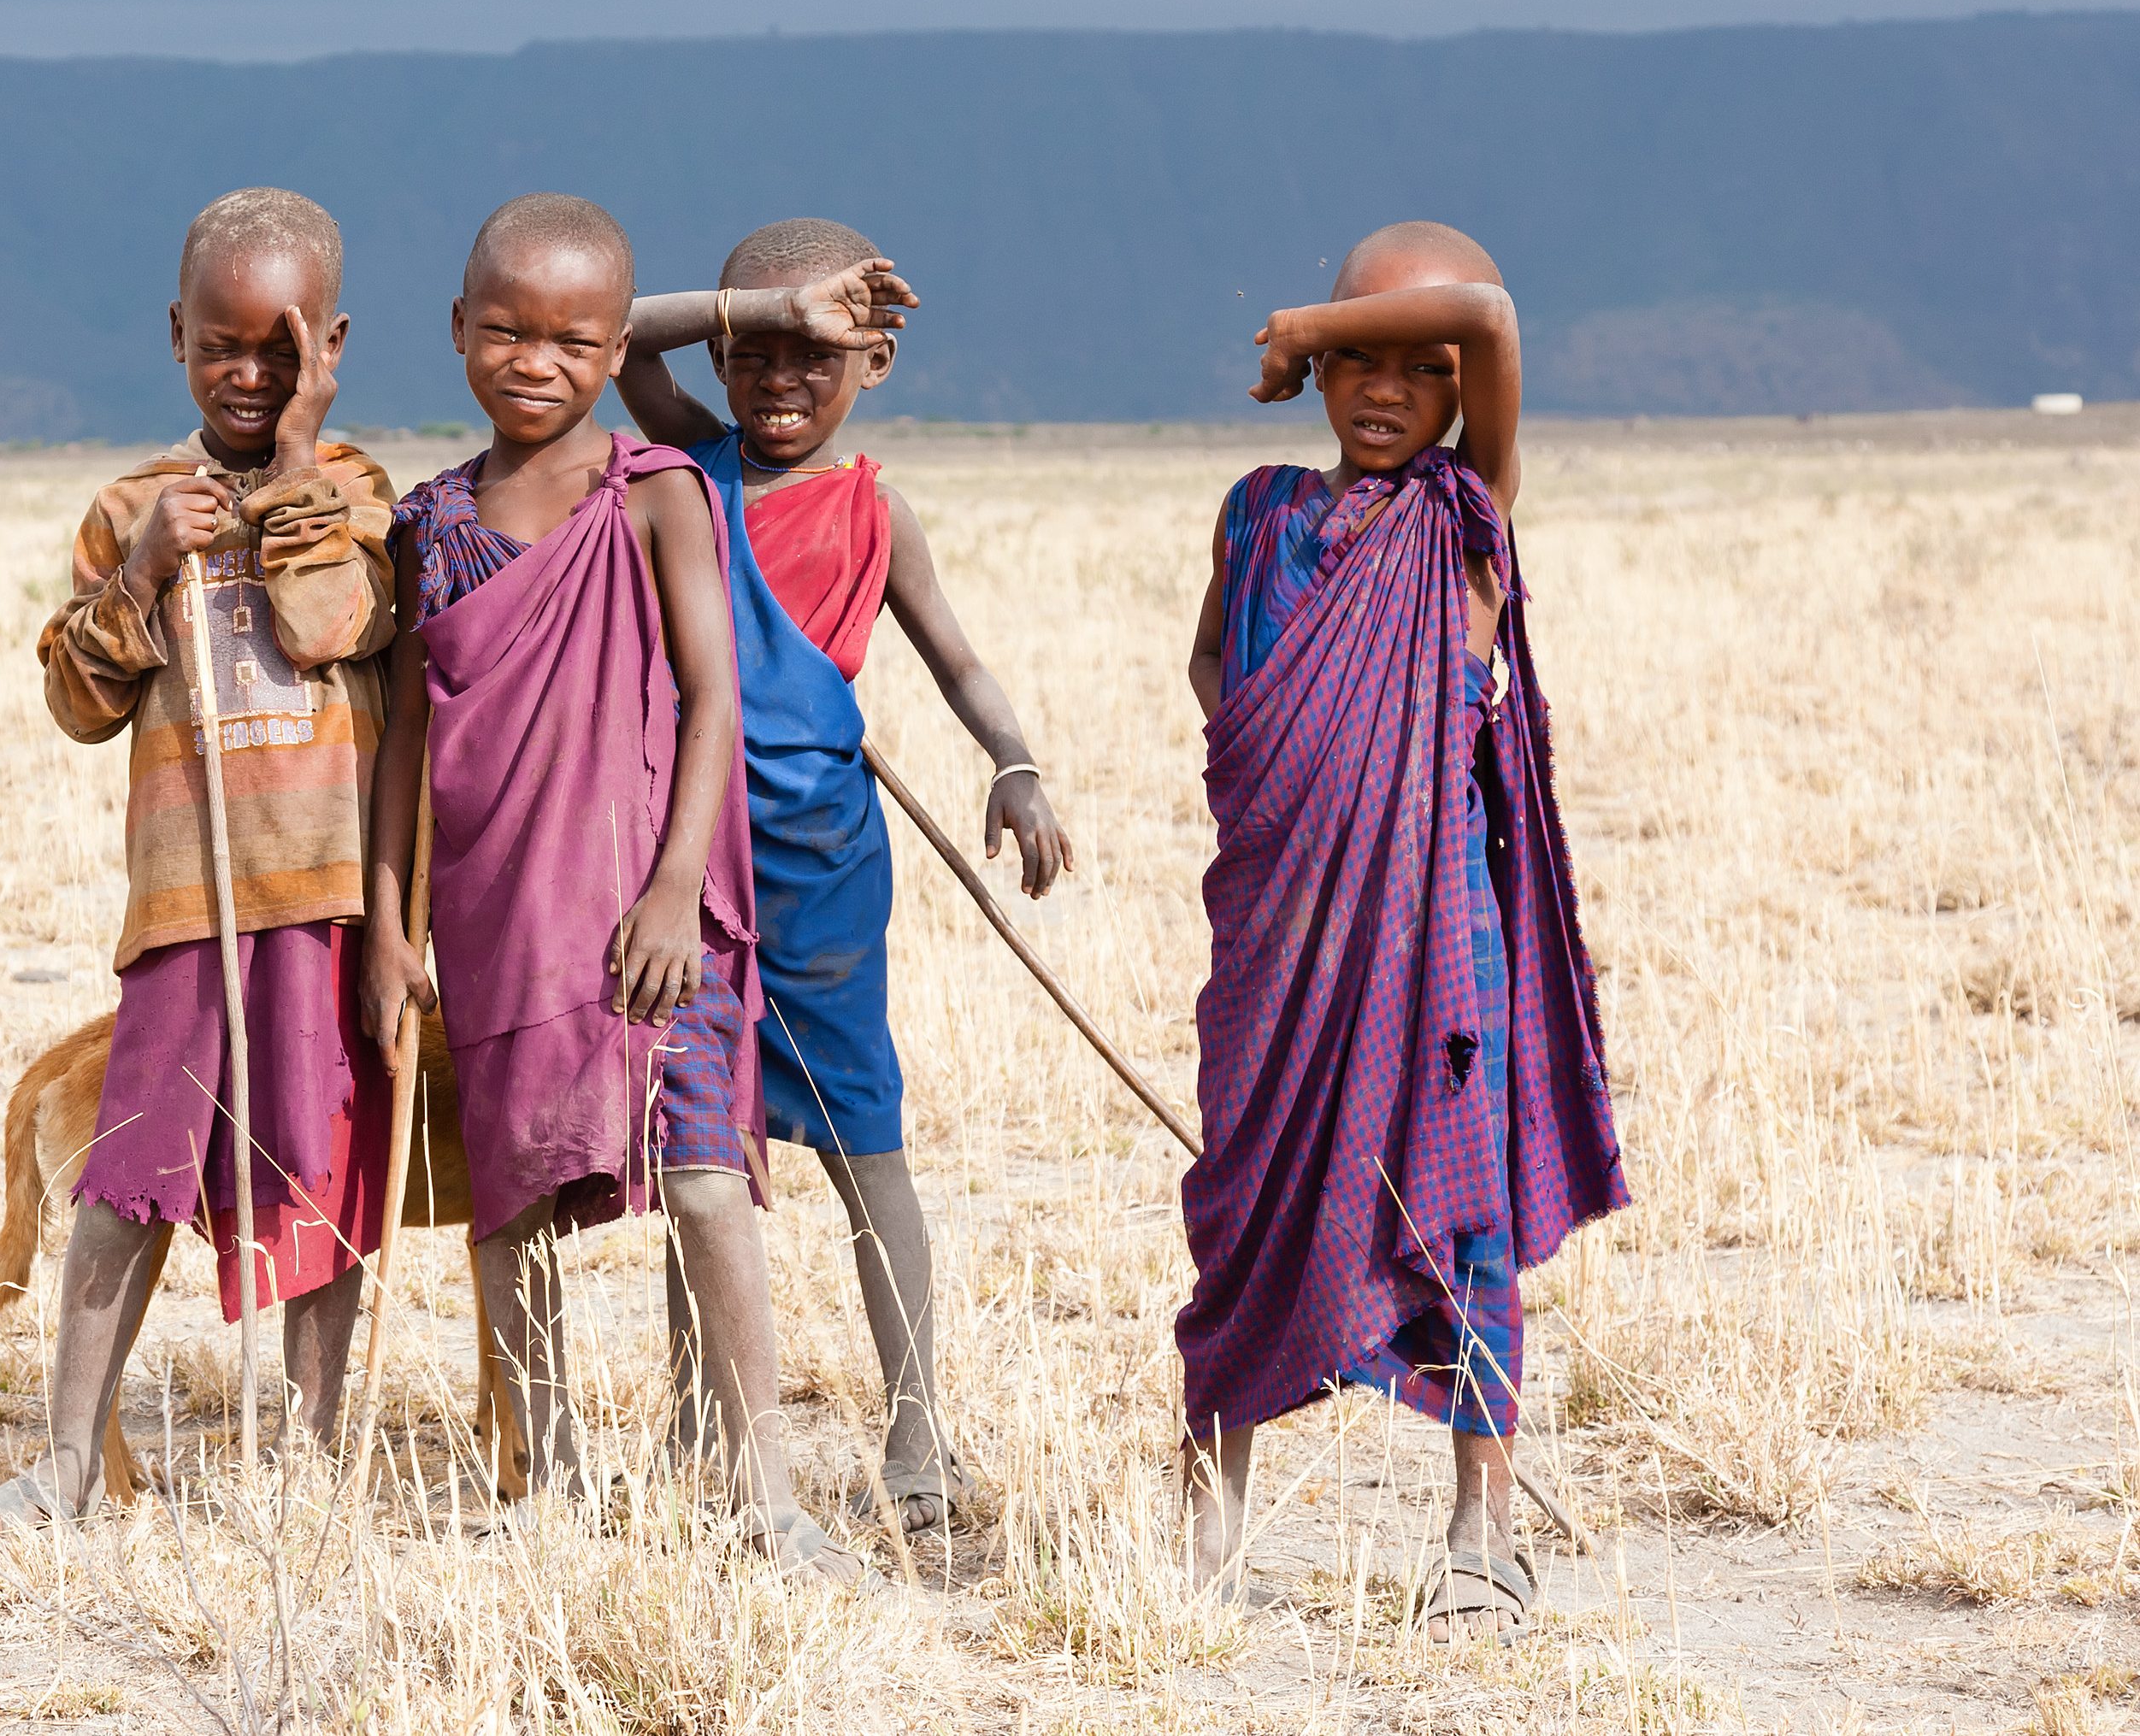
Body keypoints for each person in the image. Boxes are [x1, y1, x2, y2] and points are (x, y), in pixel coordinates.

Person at [357, 192, 850, 1574]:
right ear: (457, 331)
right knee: (513, 1212)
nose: (537, 362)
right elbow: (405, 736)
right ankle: (545, 1476)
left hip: (650, 918)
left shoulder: (657, 494)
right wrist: (394, 926)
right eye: (505, 331)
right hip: (500, 921)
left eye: (576, 340)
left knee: (703, 1187)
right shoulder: (431, 523)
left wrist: (676, 888)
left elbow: (710, 700)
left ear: (616, 343)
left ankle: (765, 1490)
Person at [1175, 221, 1625, 1638]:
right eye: (1351, 362)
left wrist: (1308, 319)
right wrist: (1290, 777)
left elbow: (1491, 309)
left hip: (1440, 936)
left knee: (1461, 1214)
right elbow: (1213, 657)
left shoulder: (1467, 513)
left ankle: (1481, 1530)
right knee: (1247, 1206)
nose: (1380, 390)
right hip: (1277, 934)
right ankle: (1211, 1514)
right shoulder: (1257, 512)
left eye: (1414, 370)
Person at [613, 217, 1073, 1533]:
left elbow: (958, 662)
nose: (777, 384)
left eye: (818, 360)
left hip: (818, 871)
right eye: (754, 355)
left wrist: (1015, 762)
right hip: (684, 868)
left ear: (873, 362)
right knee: (703, 1153)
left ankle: (918, 1434)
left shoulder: (876, 510)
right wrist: (755, 303)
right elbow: (601, 341)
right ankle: (703, 1436)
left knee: (865, 1150)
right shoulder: (682, 469)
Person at [0, 187, 398, 1534]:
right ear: (175, 338)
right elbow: (77, 702)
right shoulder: (130, 508)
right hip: (189, 906)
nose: (250, 374)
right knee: (131, 1172)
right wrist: (144, 575)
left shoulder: (363, 492)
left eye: (283, 348)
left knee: (322, 1175)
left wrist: (298, 465)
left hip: (321, 899)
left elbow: (333, 628)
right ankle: (71, 1458)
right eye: (222, 346)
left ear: (330, 343)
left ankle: (317, 1464)